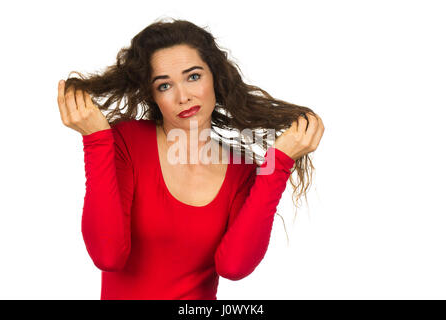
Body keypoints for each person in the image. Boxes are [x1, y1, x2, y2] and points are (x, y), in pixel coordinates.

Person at [56, 18, 324, 300]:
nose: (183, 96)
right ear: (153, 96)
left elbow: (234, 266)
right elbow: (107, 255)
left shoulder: (241, 168)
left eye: (193, 76)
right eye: (164, 85)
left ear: (215, 79)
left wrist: (277, 164)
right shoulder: (128, 142)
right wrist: (96, 141)